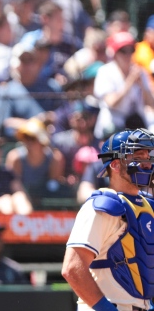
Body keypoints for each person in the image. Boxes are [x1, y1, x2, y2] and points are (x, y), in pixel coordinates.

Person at [62, 128, 154, 311]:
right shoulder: (103, 206)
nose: (146, 163)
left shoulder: (148, 205)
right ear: (115, 164)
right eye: (138, 156)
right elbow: (72, 268)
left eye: (148, 156)